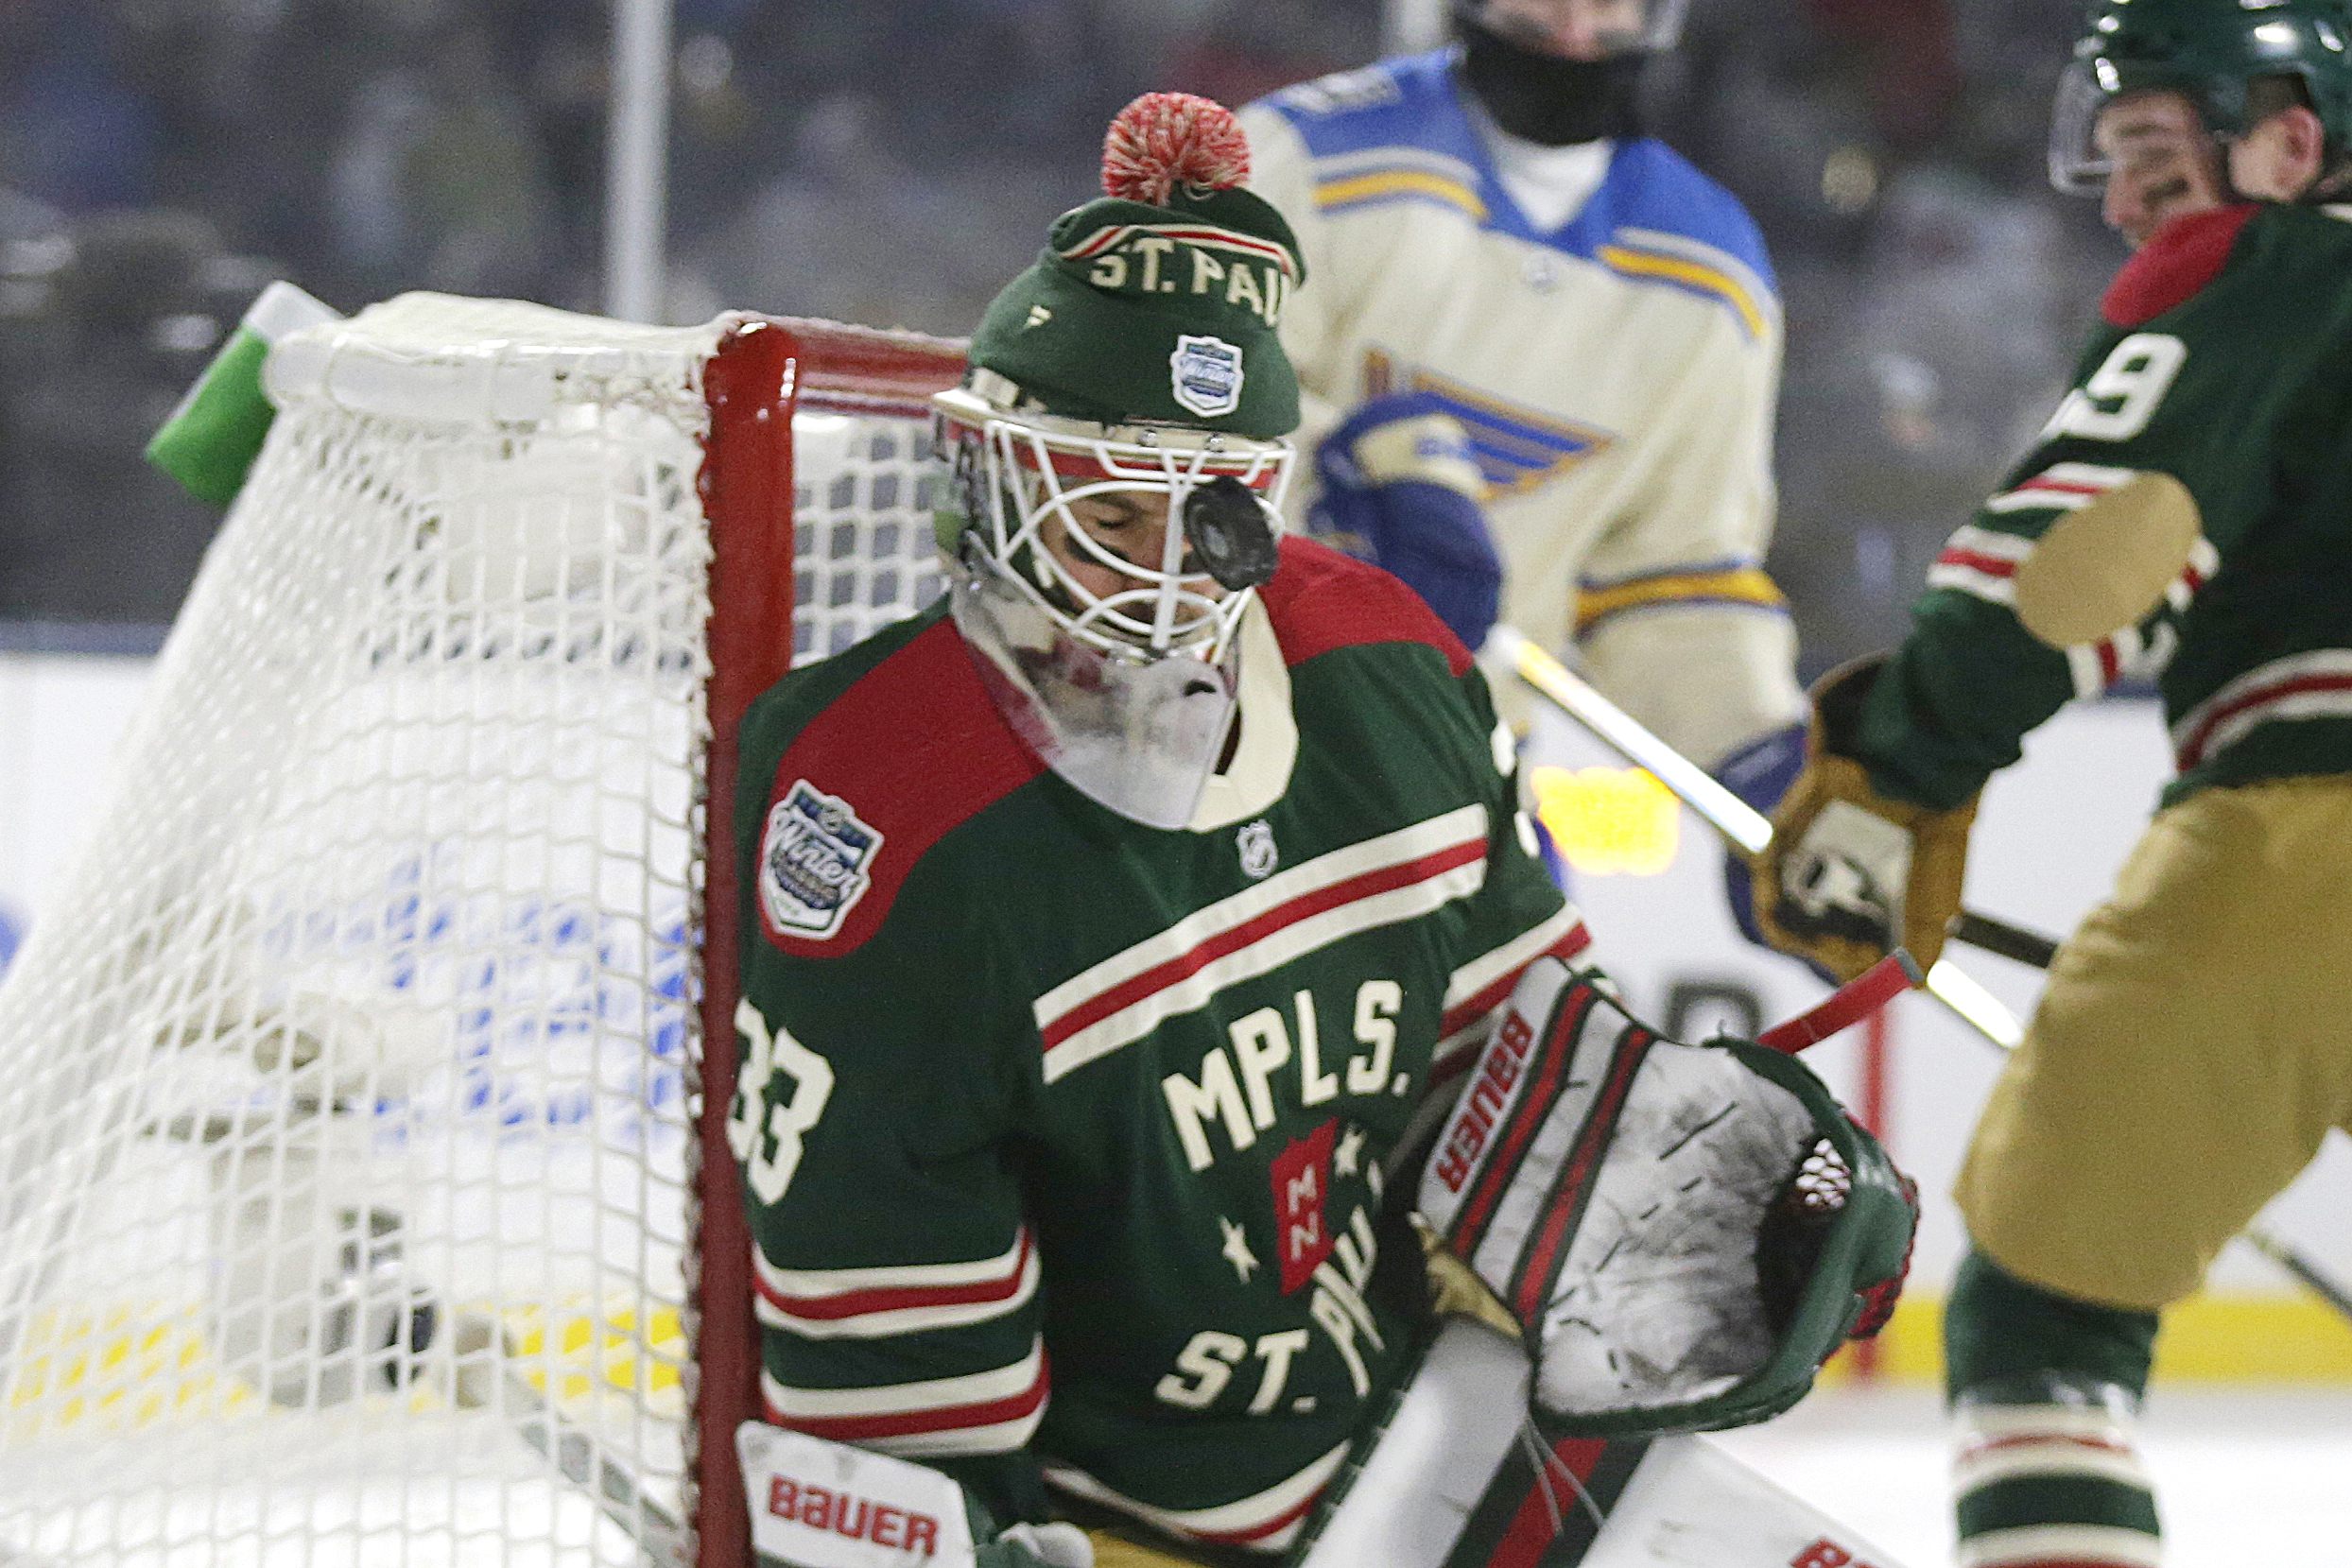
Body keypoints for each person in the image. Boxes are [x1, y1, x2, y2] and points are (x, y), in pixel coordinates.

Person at [728, 94, 1908, 1568]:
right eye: (1114, 493)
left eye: (1208, 499)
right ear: (998, 468)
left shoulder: (1385, 666)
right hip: (1131, 1523)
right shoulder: (883, 804)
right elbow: (901, 1378)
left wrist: (1677, 1184)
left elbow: (1509, 1070)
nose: (1166, 568)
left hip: (1415, 1421)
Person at [1751, 4, 2352, 1564]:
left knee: (2043, 1305)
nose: (2119, 197)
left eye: (2152, 150)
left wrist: (1896, 769)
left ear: (2288, 142)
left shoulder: (2279, 267)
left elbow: (2095, 554)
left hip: (2308, 837)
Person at [1236, 0, 1807, 940]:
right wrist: (1339, 508)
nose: (1576, 26)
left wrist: (1764, 781)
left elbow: (1673, 577)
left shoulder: (1713, 272)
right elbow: (1167, 419)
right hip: (1217, 726)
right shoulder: (1304, 155)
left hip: (1456, 779)